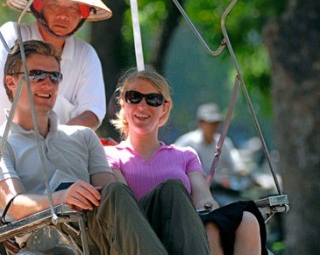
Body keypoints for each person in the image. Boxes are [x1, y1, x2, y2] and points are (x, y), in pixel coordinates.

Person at [0, 40, 169, 254]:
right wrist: (61, 197)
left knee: (171, 191)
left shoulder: (83, 136)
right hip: (41, 242)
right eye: (36, 75)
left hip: (95, 237)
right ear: (11, 82)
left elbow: (110, 196)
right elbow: (13, 205)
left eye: (55, 77)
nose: (48, 84)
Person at [106, 68, 268, 255]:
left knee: (246, 218)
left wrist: (210, 213)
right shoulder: (110, 155)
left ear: (164, 107)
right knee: (172, 189)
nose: (142, 106)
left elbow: (203, 199)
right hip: (137, 235)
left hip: (184, 231)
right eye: (134, 97)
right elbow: (123, 210)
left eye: (153, 99)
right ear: (122, 103)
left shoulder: (185, 155)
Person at [0, 0, 112, 132]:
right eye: (54, 5)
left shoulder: (86, 55)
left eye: (73, 8)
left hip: (55, 151)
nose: (63, 15)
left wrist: (52, 139)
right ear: (38, 7)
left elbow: (93, 112)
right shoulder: (12, 34)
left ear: (83, 14)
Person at [175, 103, 248, 185]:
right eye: (210, 122)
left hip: (219, 191)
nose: (213, 126)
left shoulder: (224, 143)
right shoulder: (187, 142)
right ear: (201, 122)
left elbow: (236, 165)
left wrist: (244, 174)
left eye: (215, 123)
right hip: (192, 190)